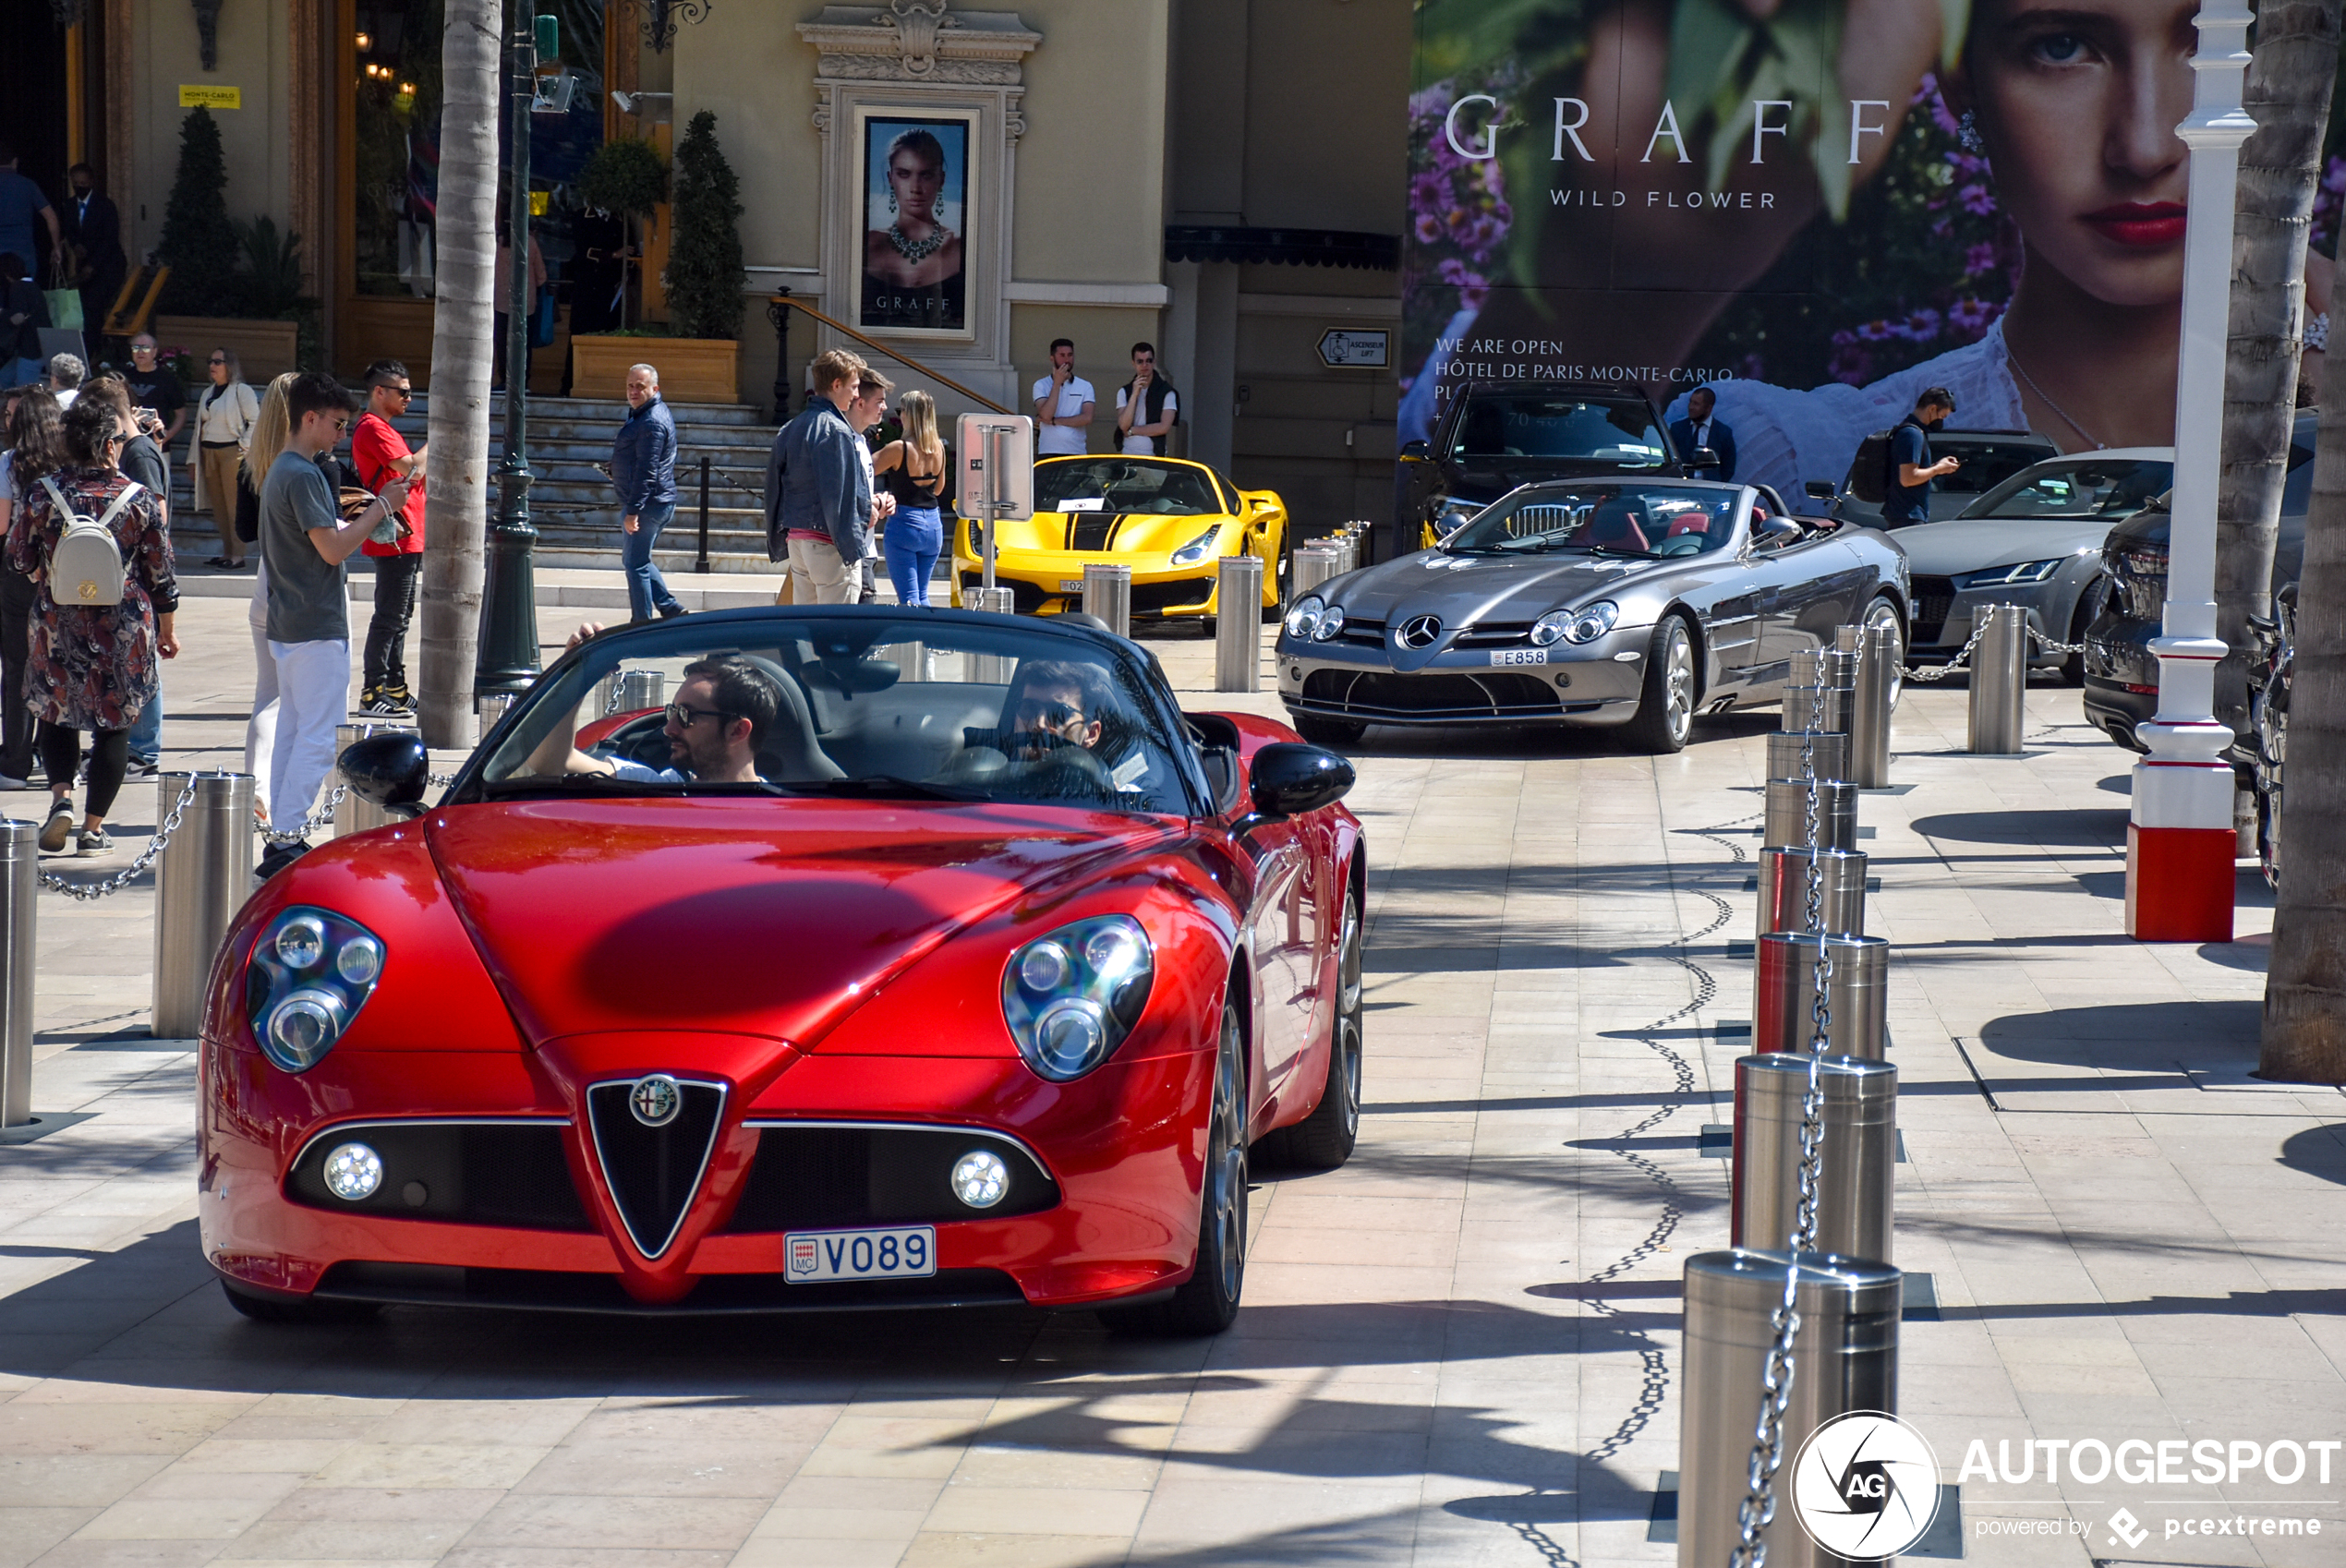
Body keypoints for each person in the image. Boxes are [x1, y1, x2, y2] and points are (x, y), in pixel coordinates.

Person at [5, 394, 178, 856]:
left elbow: (19, 557)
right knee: (114, 723)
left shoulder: (43, 492)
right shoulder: (136, 498)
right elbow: (161, 573)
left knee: (56, 714)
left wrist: (44, 572)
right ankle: (93, 828)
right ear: (107, 444)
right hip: (121, 624)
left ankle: (61, 798)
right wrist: (167, 627)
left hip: (57, 620)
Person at [257, 372, 414, 876]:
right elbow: (332, 548)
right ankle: (287, 833)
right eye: (337, 425)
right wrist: (383, 506)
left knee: (294, 731)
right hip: (313, 624)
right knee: (317, 737)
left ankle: (282, 833)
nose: (341, 435)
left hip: (290, 621)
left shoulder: (282, 469)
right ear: (309, 418)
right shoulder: (301, 474)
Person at [525, 636, 781, 784]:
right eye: (673, 711)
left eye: (686, 716)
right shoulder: (658, 786)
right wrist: (575, 678)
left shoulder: (782, 814)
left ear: (737, 731)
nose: (668, 729)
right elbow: (553, 762)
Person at [77, 377, 171, 778]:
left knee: (142, 664)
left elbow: (158, 516)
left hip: (138, 577)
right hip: (124, 575)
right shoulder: (137, 450)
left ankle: (144, 751)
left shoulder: (139, 453)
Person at [235, 373, 296, 825]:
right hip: (298, 582)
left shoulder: (252, 461)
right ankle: (283, 791)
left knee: (269, 694)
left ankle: (256, 785)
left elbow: (242, 531)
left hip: (263, 577)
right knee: (308, 701)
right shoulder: (307, 463)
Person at [770, 348, 875, 606]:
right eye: (853, 387)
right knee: (836, 632)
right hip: (828, 541)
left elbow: (775, 487)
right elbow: (840, 494)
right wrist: (854, 544)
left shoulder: (791, 427)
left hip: (798, 538)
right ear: (836, 384)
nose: (856, 394)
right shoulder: (837, 430)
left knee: (809, 626)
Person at [351, 360, 428, 714]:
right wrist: (437, 440)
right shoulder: (372, 427)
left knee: (401, 616)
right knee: (389, 616)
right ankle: (373, 691)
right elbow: (410, 466)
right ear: (379, 392)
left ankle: (395, 686)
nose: (409, 398)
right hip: (395, 533)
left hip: (407, 532)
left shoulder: (383, 427)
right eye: (403, 391)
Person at [0, 385, 63, 788]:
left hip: (18, 573)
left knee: (19, 665)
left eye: (10, 415)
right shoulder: (71, 461)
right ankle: (54, 758)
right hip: (66, 576)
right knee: (57, 665)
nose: (6, 421)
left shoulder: (9, 462)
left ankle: (15, 762)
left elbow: (2, 526)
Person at [862, 127, 965, 332]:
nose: (915, 188)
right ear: (891, 178)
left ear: (941, 179)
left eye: (926, 175)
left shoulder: (958, 245)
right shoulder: (870, 242)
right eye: (904, 174)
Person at [611, 363, 685, 622]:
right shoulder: (642, 415)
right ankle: (670, 607)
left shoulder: (651, 422)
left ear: (654, 388)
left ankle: (641, 623)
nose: (633, 391)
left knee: (635, 564)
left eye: (640, 386)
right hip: (651, 501)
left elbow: (647, 470)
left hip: (648, 504)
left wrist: (633, 511)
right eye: (630, 386)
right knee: (640, 559)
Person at [872, 388, 947, 607]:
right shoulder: (939, 447)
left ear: (909, 415)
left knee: (909, 600)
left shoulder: (899, 448)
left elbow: (863, 467)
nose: (899, 415)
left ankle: (915, 640)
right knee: (922, 596)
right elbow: (939, 489)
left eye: (900, 410)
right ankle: (927, 640)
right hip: (933, 525)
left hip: (905, 524)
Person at [187, 345, 258, 568]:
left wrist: (243, 448)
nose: (212, 366)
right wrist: (192, 459)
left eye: (218, 362)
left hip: (231, 453)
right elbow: (199, 428)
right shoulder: (207, 392)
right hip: (208, 453)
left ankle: (238, 554)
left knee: (234, 506)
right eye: (211, 361)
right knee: (218, 507)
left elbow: (256, 421)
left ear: (230, 365)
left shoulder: (241, 391)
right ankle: (227, 553)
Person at [58, 164, 123, 364]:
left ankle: (91, 354)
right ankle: (86, 352)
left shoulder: (105, 205)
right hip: (84, 268)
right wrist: (76, 245)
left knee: (94, 309)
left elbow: (110, 240)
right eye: (76, 184)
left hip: (107, 266)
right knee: (85, 310)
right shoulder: (68, 206)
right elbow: (69, 230)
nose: (80, 187)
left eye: (83, 183)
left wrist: (93, 265)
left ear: (92, 182)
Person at [848, 368, 897, 603]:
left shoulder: (861, 441)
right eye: (879, 402)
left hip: (866, 549)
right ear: (859, 403)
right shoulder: (845, 442)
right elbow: (846, 501)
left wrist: (879, 500)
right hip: (854, 553)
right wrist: (875, 504)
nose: (884, 408)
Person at [1882, 388, 1962, 525]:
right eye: (1942, 417)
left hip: (1906, 513)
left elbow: (1912, 471)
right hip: (1908, 514)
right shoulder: (1912, 435)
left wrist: (1938, 466)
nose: (1941, 422)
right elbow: (1908, 479)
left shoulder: (1911, 432)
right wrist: (1938, 470)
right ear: (1932, 409)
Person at [491, 218, 547, 389]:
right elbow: (541, 276)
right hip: (525, 304)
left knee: (502, 344)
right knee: (523, 345)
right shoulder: (530, 242)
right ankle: (523, 382)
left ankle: (504, 380)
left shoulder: (495, 242)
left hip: (499, 301)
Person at [0, 143, 60, 296]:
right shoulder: (27, 185)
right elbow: (51, 217)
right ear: (15, 162)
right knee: (23, 298)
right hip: (23, 253)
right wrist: (56, 247)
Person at [121, 334, 187, 451]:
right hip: (128, 445)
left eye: (145, 348)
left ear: (155, 351)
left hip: (157, 446)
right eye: (136, 348)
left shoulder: (167, 379)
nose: (140, 352)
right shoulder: (123, 378)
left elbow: (181, 413)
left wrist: (168, 435)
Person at [1114, 344, 1179, 456]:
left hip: (1154, 454)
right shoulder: (1124, 392)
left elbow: (1164, 427)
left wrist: (1132, 431)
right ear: (1133, 363)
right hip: (1129, 453)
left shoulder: (1166, 392)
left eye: (1148, 361)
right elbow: (1123, 425)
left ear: (1154, 362)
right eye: (1140, 361)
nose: (1145, 365)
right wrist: (1134, 394)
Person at [1032, 339, 1094, 458]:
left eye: (1070, 355)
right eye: (1062, 355)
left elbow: (1087, 418)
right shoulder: (1040, 385)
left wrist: (1055, 421)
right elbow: (1046, 415)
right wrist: (1057, 384)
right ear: (1052, 358)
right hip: (1048, 450)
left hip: (1076, 451)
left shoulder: (1085, 386)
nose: (1067, 360)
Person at [1669, 386, 1736, 482]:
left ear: (1709, 408)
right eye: (1690, 402)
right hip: (1682, 486)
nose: (1691, 407)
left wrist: (1715, 484)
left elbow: (1728, 467)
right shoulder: (1677, 429)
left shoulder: (1723, 432)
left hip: (1709, 489)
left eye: (1696, 404)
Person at [2, 255, 45, 387]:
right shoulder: (33, 286)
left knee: (25, 392)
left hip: (30, 349)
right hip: (37, 345)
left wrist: (3, 314)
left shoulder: (17, 287)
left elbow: (18, 317)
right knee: (3, 379)